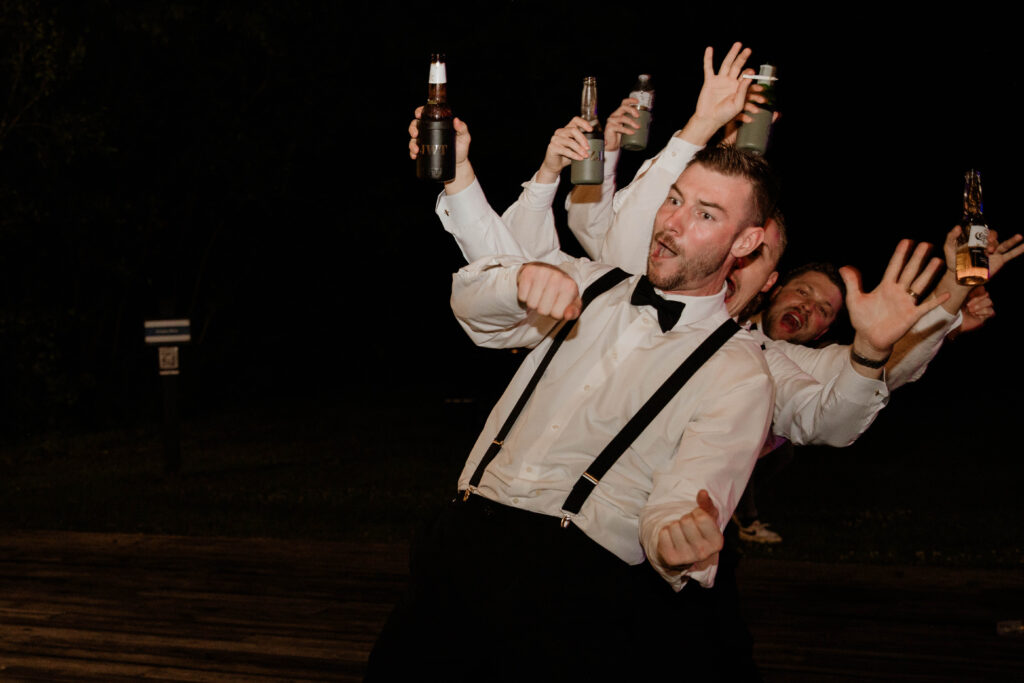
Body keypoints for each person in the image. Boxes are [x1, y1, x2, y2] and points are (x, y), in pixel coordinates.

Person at [367, 144, 779, 680]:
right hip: (457, 544)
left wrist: (675, 539)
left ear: (746, 242)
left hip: (572, 588)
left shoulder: (740, 371)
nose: (672, 223)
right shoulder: (592, 282)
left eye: (705, 213)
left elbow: (681, 501)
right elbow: (474, 314)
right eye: (674, 199)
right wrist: (516, 284)